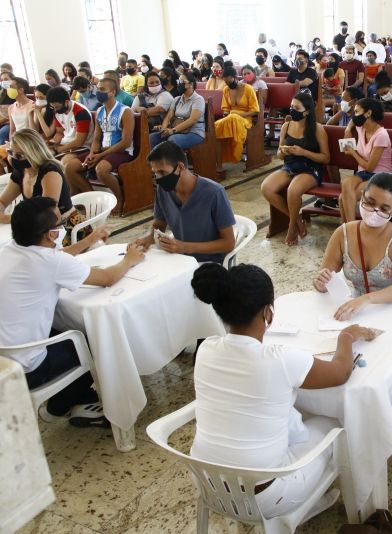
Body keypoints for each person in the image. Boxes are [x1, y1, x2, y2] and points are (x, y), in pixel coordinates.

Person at [190, 261, 374, 520]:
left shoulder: (206, 349)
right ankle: (305, 505)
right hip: (266, 497)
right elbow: (342, 372)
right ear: (268, 314)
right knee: (334, 422)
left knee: (281, 418)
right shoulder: (280, 360)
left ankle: (304, 500)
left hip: (208, 483)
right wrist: (346, 337)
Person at [0, 196, 144, 425]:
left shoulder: (11, 248)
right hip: (29, 369)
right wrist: (129, 260)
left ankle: (66, 400)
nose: (63, 224)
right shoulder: (49, 263)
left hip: (5, 359)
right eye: (60, 223)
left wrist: (90, 239)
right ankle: (67, 404)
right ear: (51, 234)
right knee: (96, 338)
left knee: (62, 325)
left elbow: (56, 257)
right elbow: (107, 278)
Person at [314, 172, 392, 320]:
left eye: (384, 208)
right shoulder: (342, 234)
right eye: (370, 202)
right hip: (358, 310)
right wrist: (320, 282)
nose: (375, 211)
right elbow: (324, 279)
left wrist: (366, 299)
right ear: (362, 196)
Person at [0, 129, 105, 252]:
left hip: (68, 228)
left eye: (19, 155)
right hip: (39, 228)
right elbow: (2, 201)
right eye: (11, 153)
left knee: (30, 254)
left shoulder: (49, 171)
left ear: (32, 152)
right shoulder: (21, 172)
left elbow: (48, 214)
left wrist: (10, 218)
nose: (13, 159)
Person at [133, 141, 235, 263]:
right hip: (182, 259)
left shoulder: (214, 193)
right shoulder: (164, 189)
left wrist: (184, 247)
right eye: (155, 173)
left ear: (180, 168)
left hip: (211, 263)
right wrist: (149, 237)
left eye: (162, 172)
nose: (158, 179)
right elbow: (159, 223)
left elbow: (228, 243)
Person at [261, 93, 329, 245]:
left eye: (297, 108)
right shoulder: (286, 125)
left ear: (307, 111)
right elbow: (279, 154)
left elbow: (325, 158)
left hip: (310, 169)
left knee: (293, 190)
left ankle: (292, 227)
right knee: (267, 188)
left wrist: (303, 152)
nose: (292, 110)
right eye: (291, 107)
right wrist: (283, 152)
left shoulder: (317, 129)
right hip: (290, 166)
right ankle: (297, 220)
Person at [63, 77, 133, 207]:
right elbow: (96, 138)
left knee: (101, 169)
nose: (98, 92)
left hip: (121, 151)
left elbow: (126, 142)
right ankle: (92, 199)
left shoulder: (125, 111)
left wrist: (100, 156)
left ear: (112, 92)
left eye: (102, 89)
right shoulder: (100, 111)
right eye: (98, 88)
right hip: (102, 150)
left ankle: (119, 200)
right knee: (70, 168)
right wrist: (92, 153)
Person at [339, 98, 392, 222]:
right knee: (346, 184)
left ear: (368, 113)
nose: (354, 115)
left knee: (343, 198)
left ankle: (348, 228)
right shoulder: (361, 127)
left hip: (380, 176)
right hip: (363, 173)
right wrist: (347, 129)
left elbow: (370, 167)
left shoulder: (381, 135)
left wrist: (353, 153)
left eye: (357, 112)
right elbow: (352, 122)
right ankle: (348, 228)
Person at [214, 67, 260, 164]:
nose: (228, 85)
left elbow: (255, 111)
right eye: (226, 83)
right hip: (230, 118)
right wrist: (226, 113)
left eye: (230, 82)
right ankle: (218, 156)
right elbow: (226, 108)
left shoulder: (248, 89)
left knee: (234, 118)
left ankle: (235, 156)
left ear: (235, 77)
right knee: (216, 125)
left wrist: (239, 114)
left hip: (246, 119)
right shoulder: (226, 89)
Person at [150, 71, 205, 150]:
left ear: (191, 84)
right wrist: (163, 129)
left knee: (173, 140)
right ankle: (156, 160)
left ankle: (168, 161)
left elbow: (193, 120)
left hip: (193, 132)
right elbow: (168, 117)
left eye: (182, 82)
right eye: (178, 81)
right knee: (153, 137)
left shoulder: (198, 99)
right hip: (176, 130)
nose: (179, 84)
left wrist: (173, 130)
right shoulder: (177, 99)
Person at [43, 87, 93, 158]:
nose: (55, 110)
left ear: (66, 102)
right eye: (52, 107)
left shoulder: (81, 113)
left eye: (57, 107)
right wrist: (53, 142)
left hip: (83, 146)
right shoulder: (58, 112)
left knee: (58, 161)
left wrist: (58, 149)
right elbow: (60, 132)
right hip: (66, 144)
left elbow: (79, 142)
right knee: (41, 155)